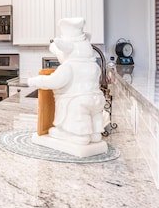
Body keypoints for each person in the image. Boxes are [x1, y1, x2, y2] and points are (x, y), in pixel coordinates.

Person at [28, 17, 104, 145]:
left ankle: (79, 137)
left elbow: (53, 82)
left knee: (80, 134)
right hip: (97, 101)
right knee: (94, 129)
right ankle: (95, 134)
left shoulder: (69, 66)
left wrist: (33, 81)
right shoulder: (94, 65)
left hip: (77, 102)